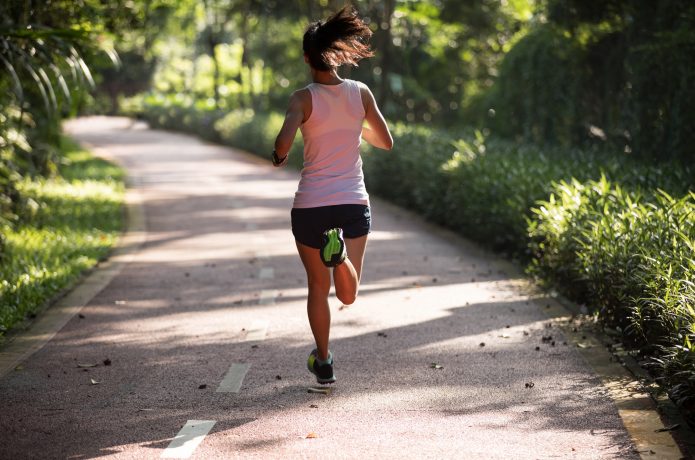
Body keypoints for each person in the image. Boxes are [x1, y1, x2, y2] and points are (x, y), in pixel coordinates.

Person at [272, 5, 393, 384]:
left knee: (317, 288)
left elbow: (283, 143)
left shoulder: (302, 98)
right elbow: (386, 141)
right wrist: (357, 131)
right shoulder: (360, 93)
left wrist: (279, 154)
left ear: (308, 57)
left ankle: (323, 361)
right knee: (348, 294)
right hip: (352, 202)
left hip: (311, 205)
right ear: (336, 53)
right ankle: (338, 255)